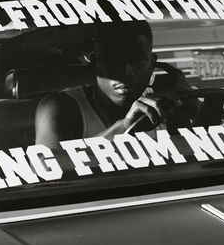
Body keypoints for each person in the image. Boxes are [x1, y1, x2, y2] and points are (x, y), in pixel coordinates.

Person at [35, 21, 198, 149]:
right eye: (113, 60)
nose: (126, 70)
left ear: (152, 64)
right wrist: (125, 127)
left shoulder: (163, 107)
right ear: (95, 64)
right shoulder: (61, 108)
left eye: (136, 60)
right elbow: (46, 168)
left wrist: (194, 107)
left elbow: (196, 161)